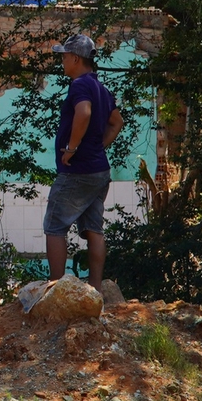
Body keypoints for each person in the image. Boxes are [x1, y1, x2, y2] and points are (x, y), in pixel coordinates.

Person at [45, 33, 124, 288]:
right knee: (94, 229)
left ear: (76, 59)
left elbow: (84, 112)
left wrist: (72, 148)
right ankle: (95, 290)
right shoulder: (101, 88)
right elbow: (117, 122)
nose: (63, 61)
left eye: (65, 56)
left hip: (77, 170)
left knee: (54, 226)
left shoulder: (79, 85)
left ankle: (56, 289)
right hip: (99, 170)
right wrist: (98, 147)